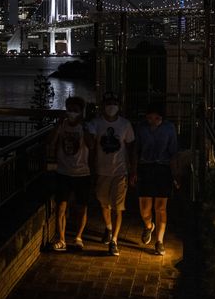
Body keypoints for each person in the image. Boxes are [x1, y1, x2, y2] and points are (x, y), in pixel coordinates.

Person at [88, 91, 136, 256]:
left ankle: (114, 240)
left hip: (120, 171)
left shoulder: (125, 124)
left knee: (118, 207)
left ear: (119, 106)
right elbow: (91, 142)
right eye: (108, 103)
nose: (111, 107)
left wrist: (133, 170)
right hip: (101, 171)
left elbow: (131, 147)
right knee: (104, 203)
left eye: (114, 103)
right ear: (103, 106)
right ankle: (108, 228)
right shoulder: (96, 123)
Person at [133, 104, 178, 256]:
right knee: (145, 208)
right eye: (150, 117)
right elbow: (136, 150)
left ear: (162, 118)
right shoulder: (141, 128)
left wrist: (175, 174)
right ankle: (148, 225)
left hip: (162, 168)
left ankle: (159, 241)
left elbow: (173, 152)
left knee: (161, 207)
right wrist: (133, 170)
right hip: (145, 167)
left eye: (156, 118)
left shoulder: (169, 128)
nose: (153, 121)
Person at [50, 96, 93, 252]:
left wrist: (84, 127)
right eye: (69, 109)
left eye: (75, 110)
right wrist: (57, 125)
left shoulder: (85, 127)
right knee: (61, 206)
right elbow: (51, 142)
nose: (71, 113)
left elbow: (91, 144)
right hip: (63, 171)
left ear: (81, 112)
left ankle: (78, 237)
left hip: (82, 173)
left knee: (81, 207)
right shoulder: (61, 125)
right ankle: (61, 239)